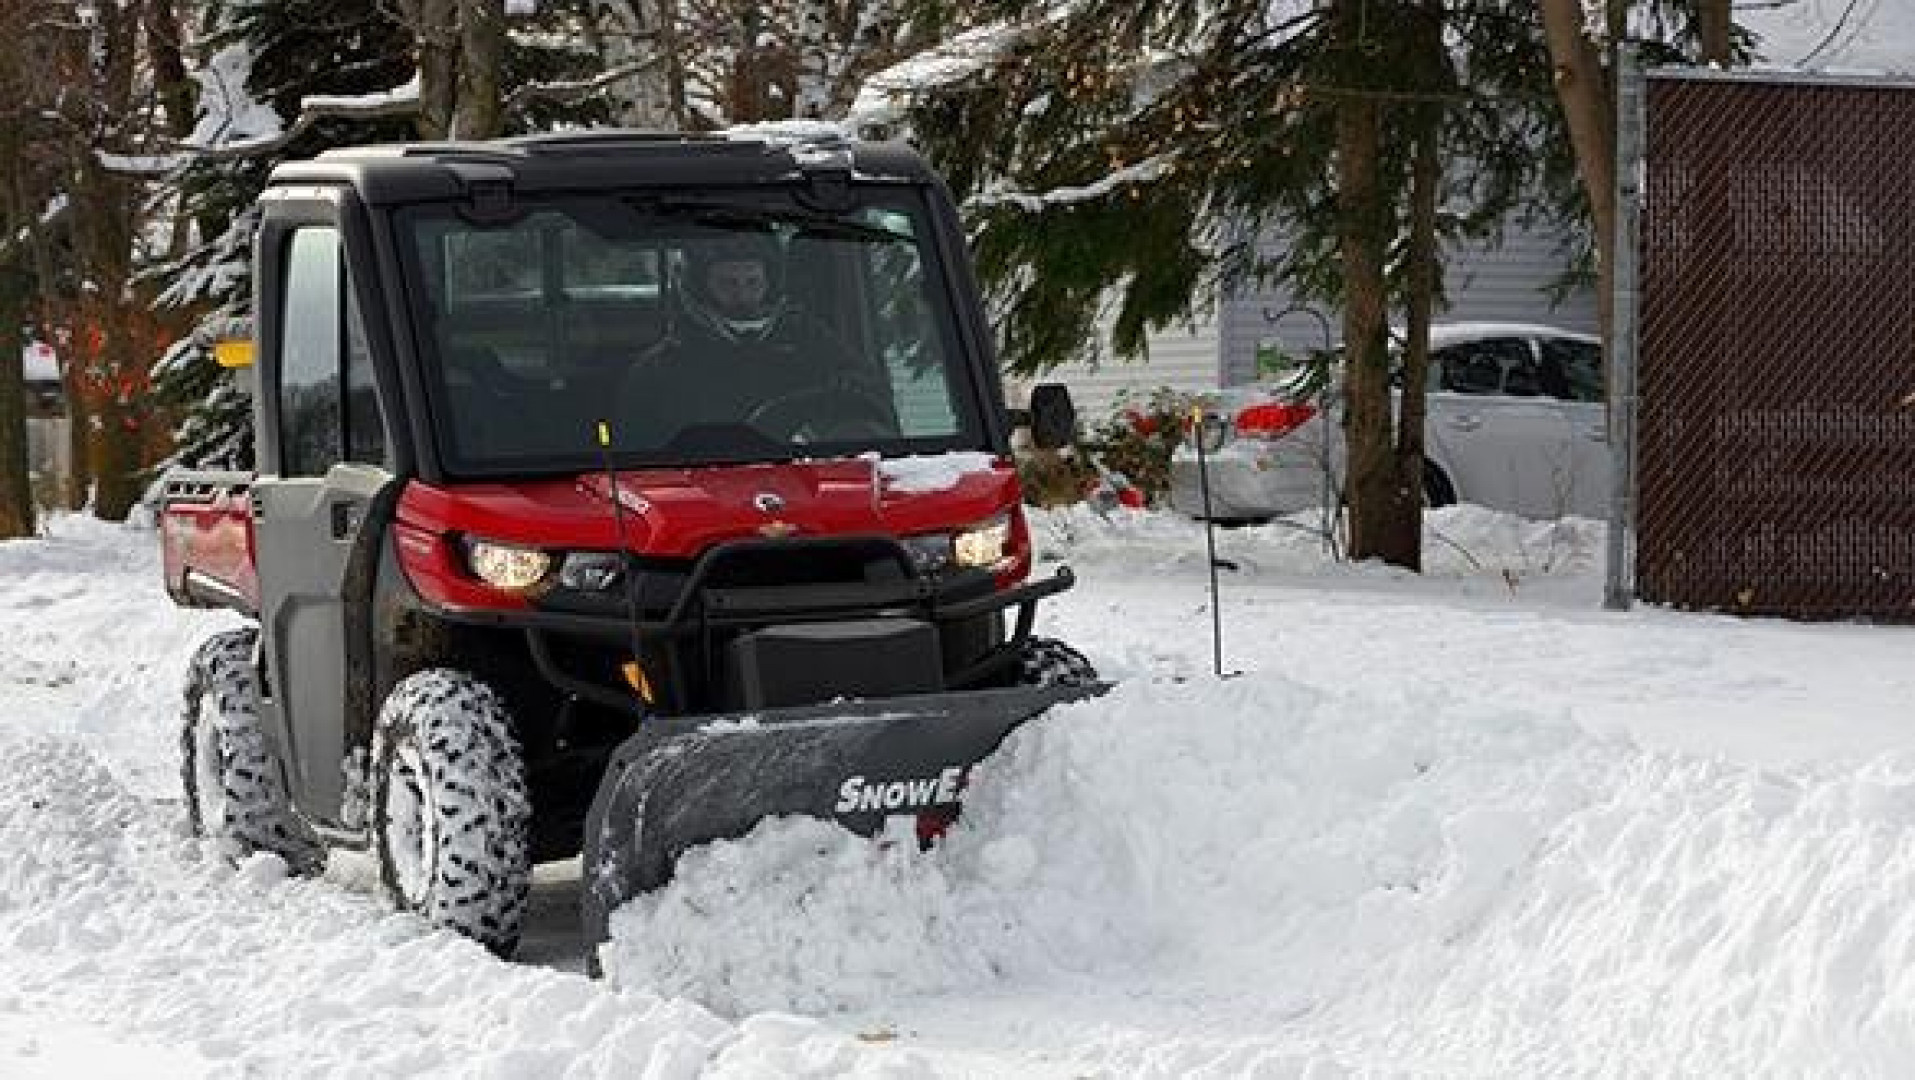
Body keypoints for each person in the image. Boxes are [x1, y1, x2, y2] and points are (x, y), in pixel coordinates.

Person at [616, 231, 893, 448]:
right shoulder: (660, 370)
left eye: (753, 282)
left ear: (770, 283)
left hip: (802, 481)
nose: (742, 297)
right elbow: (635, 459)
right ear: (699, 288)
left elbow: (867, 393)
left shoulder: (809, 341)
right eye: (728, 284)